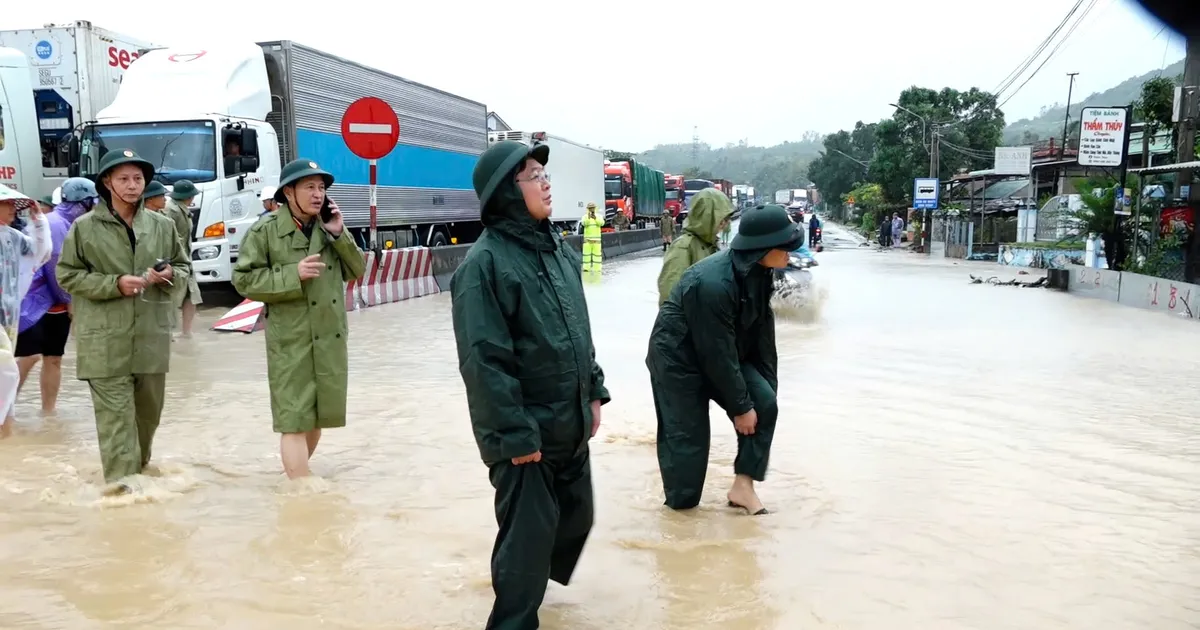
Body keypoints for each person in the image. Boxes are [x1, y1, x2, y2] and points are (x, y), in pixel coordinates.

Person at [450, 140, 609, 629]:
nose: (546, 182)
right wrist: (516, 436)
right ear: (506, 192)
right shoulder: (484, 266)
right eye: (533, 175)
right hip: (526, 436)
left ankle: (534, 585)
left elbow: (577, 329)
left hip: (569, 421)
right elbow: (484, 362)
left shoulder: (557, 251)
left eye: (544, 172)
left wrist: (594, 390)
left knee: (577, 516)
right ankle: (515, 616)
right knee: (527, 542)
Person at [646, 204, 799, 516]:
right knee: (688, 442)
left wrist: (763, 391)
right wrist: (740, 406)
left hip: (723, 350)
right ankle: (681, 517)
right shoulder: (713, 283)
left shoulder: (761, 273)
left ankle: (743, 487)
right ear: (762, 248)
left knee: (765, 403)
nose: (790, 255)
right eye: (785, 247)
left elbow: (762, 335)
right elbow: (715, 352)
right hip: (679, 361)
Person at [56, 149, 191, 486]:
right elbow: (67, 275)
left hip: (150, 338)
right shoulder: (84, 228)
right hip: (104, 342)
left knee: (147, 421)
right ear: (106, 183)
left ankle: (140, 487)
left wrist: (170, 273)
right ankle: (121, 494)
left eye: (138, 179)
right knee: (117, 424)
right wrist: (113, 284)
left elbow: (184, 267)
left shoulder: (162, 225)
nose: (132, 186)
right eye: (123, 179)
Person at [231, 159, 366, 479]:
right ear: (288, 192)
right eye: (309, 187)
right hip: (291, 339)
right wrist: (293, 274)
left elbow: (357, 270)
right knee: (294, 419)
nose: (318, 194)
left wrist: (339, 234)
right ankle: (300, 488)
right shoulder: (265, 231)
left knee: (319, 416)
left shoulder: (330, 227)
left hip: (330, 334)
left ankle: (294, 476)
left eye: (321, 188)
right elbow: (244, 281)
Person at [16, 177, 98, 416]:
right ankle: (5, 405)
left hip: (57, 305)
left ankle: (48, 413)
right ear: (84, 202)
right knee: (28, 356)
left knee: (54, 358)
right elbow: (55, 268)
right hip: (36, 303)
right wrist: (70, 301)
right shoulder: (55, 223)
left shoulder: (74, 224)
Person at [0, 185, 51, 436]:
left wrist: (39, 221)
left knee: (5, 372)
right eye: (7, 204)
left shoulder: (13, 236)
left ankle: (6, 429)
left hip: (9, 314)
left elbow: (41, 251)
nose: (12, 210)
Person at [656, 188, 732, 305]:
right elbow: (670, 295)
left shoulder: (712, 245)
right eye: (723, 219)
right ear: (707, 217)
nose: (726, 223)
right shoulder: (683, 247)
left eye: (727, 219)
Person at [164, 180, 202, 338]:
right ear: (188, 196)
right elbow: (167, 236)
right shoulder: (171, 210)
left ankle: (186, 333)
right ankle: (168, 334)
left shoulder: (182, 209)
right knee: (172, 297)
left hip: (185, 260)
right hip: (176, 260)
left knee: (191, 296)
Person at [581, 202, 603, 274]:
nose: (591, 209)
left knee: (597, 255)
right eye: (590, 208)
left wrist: (595, 218)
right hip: (587, 240)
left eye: (592, 208)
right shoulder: (585, 216)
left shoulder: (599, 216)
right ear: (588, 209)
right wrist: (588, 217)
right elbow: (584, 224)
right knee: (586, 255)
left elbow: (601, 223)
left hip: (596, 240)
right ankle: (586, 268)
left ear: (595, 208)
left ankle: (597, 269)